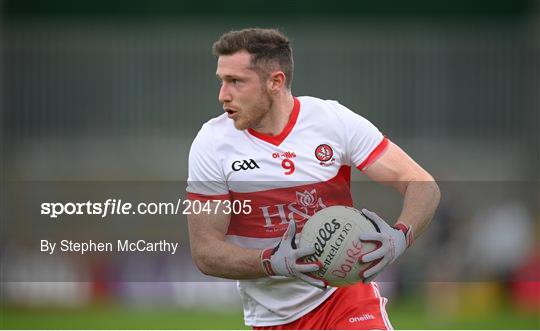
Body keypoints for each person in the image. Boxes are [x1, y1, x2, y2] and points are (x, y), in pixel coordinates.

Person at [186, 28, 440, 330]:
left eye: (236, 82)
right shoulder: (212, 143)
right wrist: (273, 261)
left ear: (275, 82)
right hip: (272, 319)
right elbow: (206, 253)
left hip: (345, 297)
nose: (223, 95)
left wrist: (401, 236)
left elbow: (421, 184)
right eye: (222, 80)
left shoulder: (332, 121)